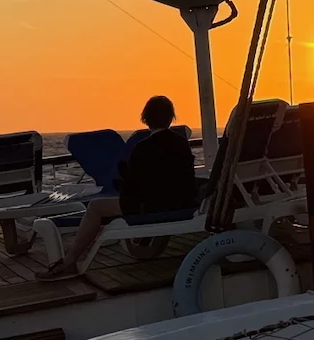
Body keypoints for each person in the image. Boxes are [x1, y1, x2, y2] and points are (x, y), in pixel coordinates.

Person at [38, 96, 197, 280]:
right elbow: (186, 179)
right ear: (170, 118)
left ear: (146, 119)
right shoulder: (181, 144)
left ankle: (70, 261)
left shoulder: (143, 148)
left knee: (95, 207)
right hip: (180, 203)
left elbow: (134, 187)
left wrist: (122, 184)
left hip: (152, 207)